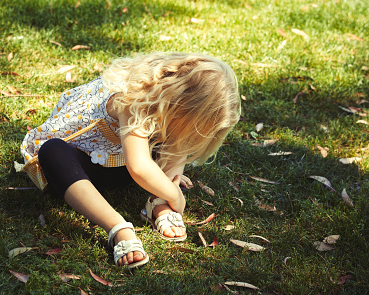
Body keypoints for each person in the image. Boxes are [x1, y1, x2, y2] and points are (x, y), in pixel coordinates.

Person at [19, 52, 240, 268]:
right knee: (52, 151)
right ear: (180, 100)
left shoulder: (167, 105)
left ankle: (159, 203)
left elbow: (177, 143)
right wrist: (175, 194)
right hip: (79, 170)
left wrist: (169, 183)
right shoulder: (133, 98)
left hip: (120, 160)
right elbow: (139, 168)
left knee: (174, 135)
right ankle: (117, 227)